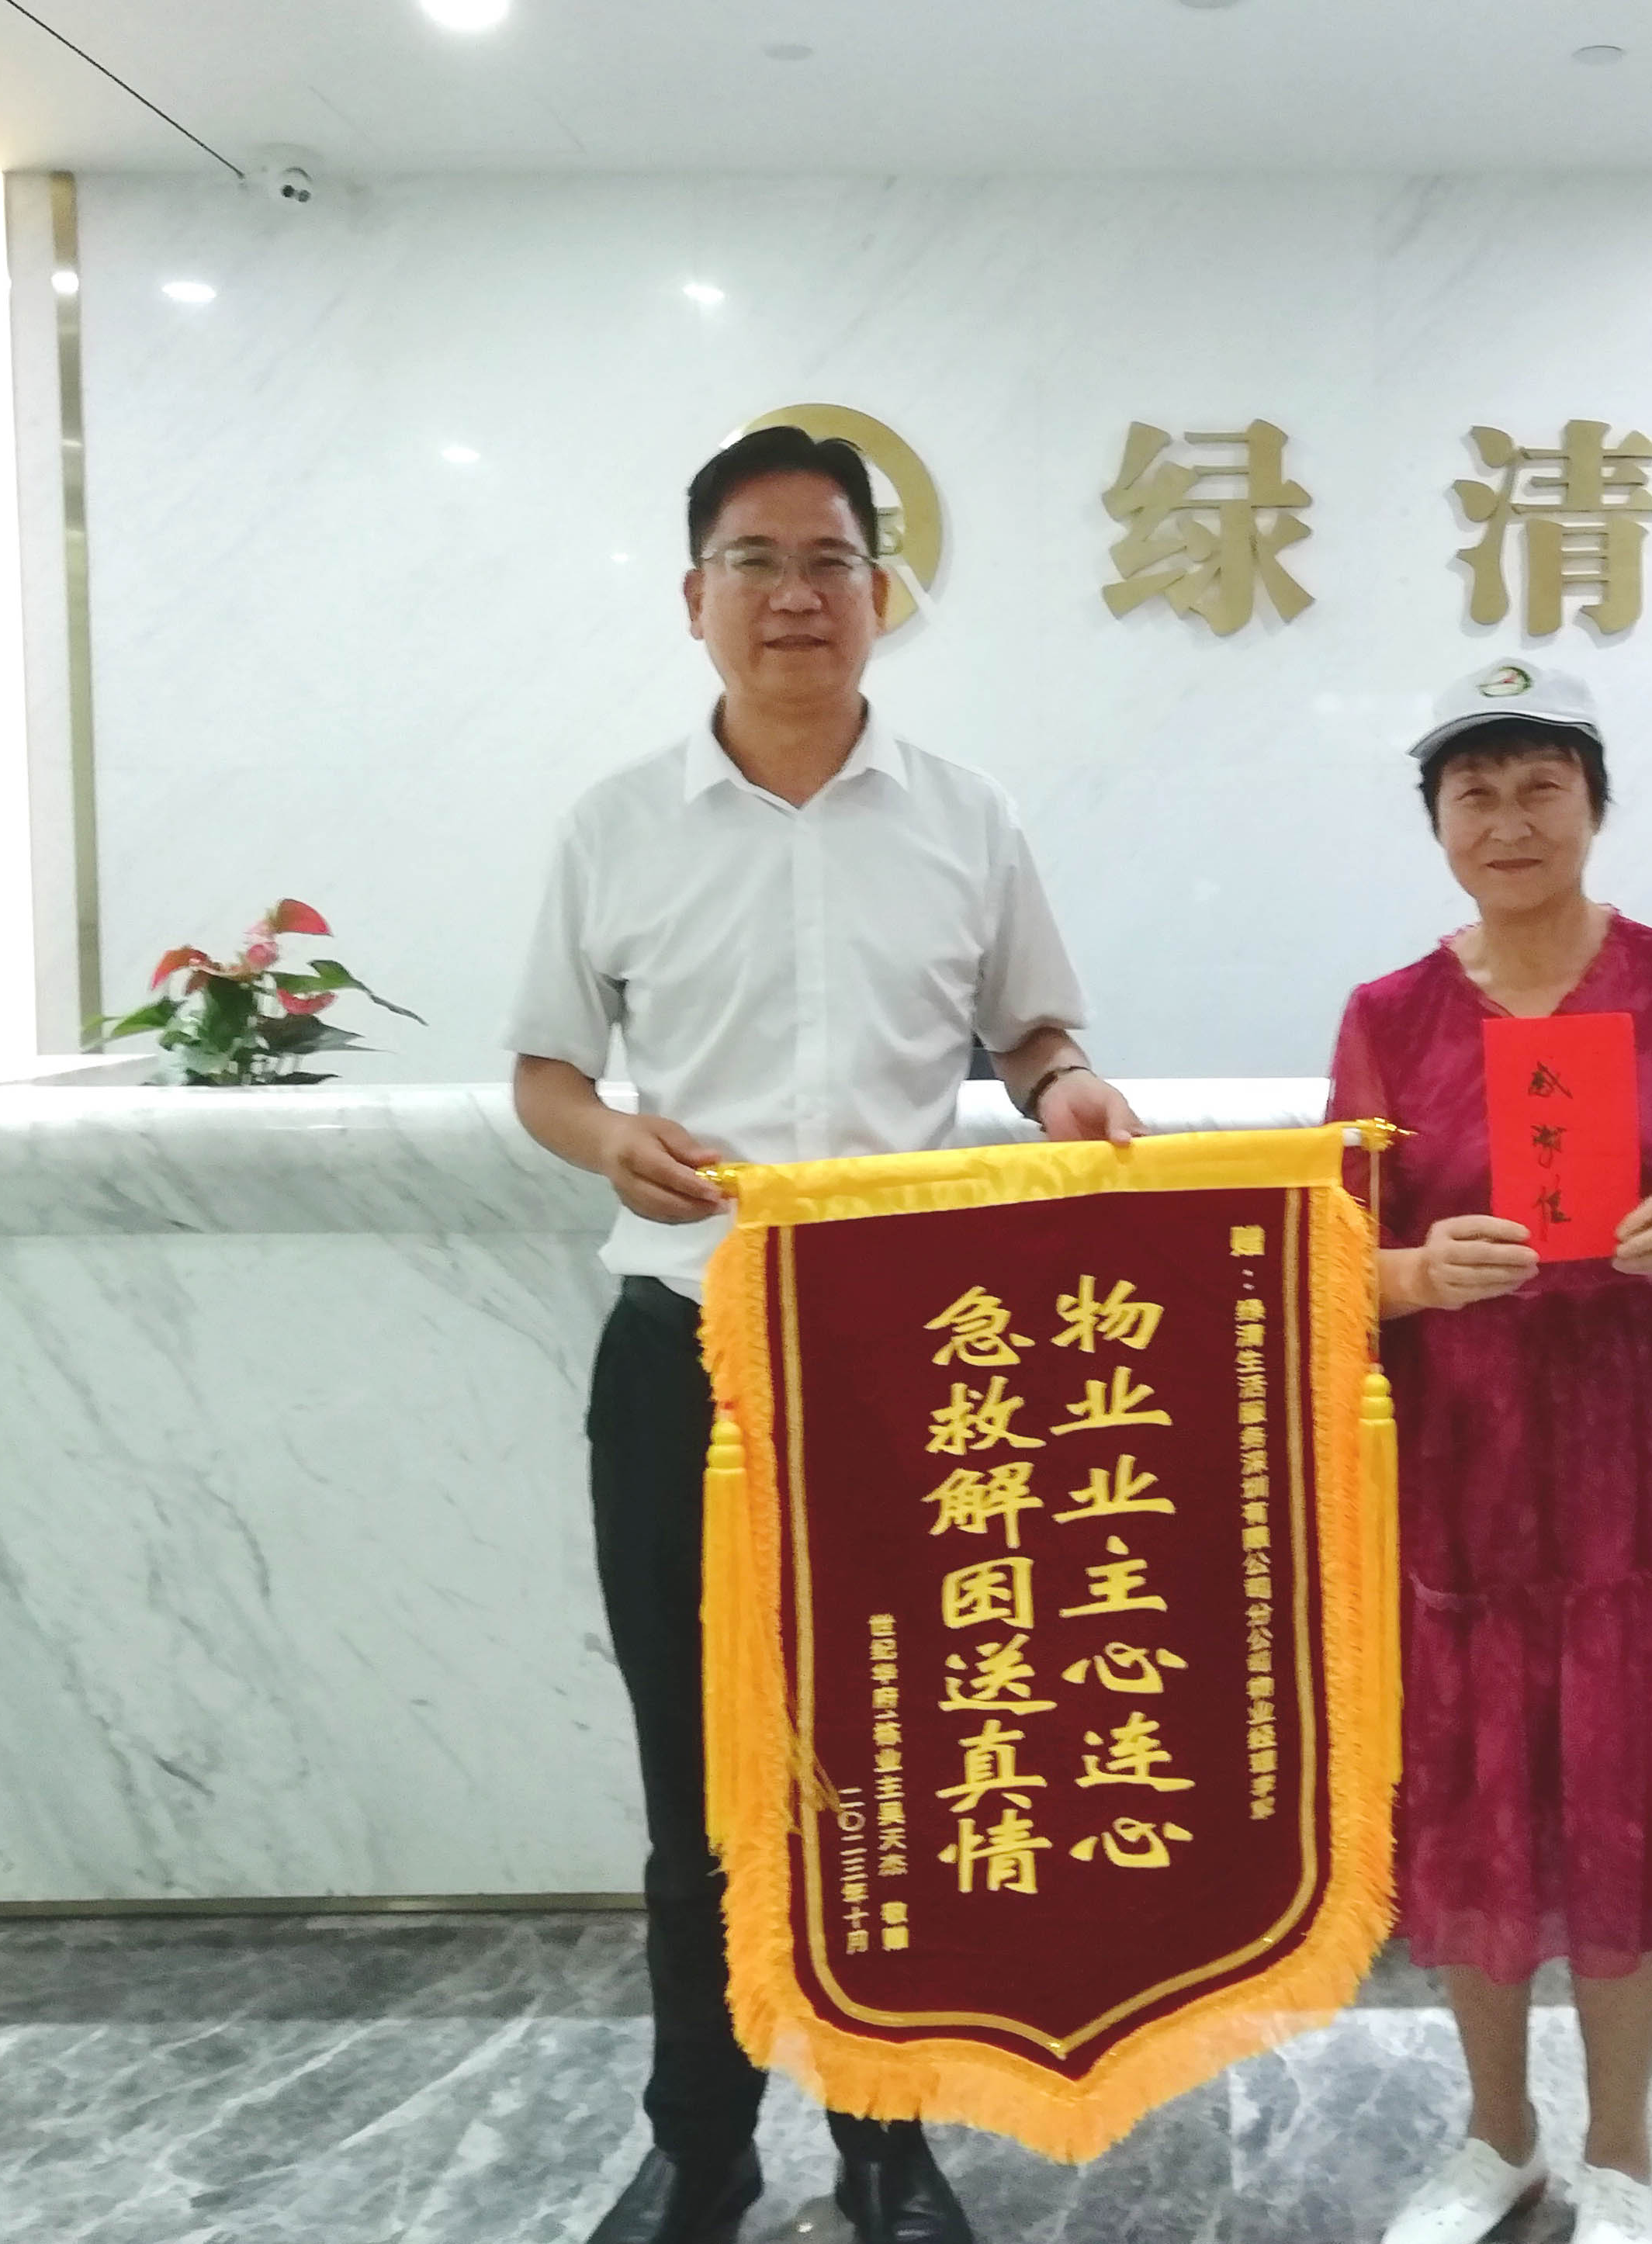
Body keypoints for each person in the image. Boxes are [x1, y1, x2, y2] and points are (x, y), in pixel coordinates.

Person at [507, 424, 1142, 2244]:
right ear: (693, 596)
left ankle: (886, 2137)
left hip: (901, 1367)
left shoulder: (965, 818)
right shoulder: (613, 826)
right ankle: (700, 2139)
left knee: (899, 1768)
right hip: (684, 1350)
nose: (795, 597)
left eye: (830, 563)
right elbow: (546, 1072)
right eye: (757, 561)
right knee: (697, 1776)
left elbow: (1034, 1035)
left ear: (881, 593)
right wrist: (609, 1139)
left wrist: (1067, 1089)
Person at [1327, 661, 1652, 2244]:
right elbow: (1328, 1258)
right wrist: (1416, 1274)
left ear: (1595, 807)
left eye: (1542, 785)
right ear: (1437, 827)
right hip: (1461, 1487)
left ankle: (1620, 2153)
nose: (1509, 819)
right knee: (1469, 1806)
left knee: (1630, 1799)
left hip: (1645, 1482)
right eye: (1473, 793)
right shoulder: (1389, 1017)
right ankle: (1497, 2136)